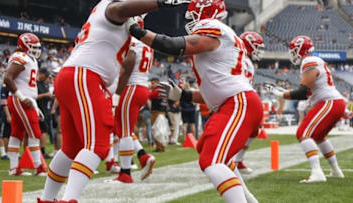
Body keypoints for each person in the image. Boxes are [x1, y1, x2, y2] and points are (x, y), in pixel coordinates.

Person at [39, 0, 188, 202]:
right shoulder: (113, 8)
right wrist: (159, 3)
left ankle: (47, 199)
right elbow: (120, 9)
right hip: (84, 77)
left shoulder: (111, 18)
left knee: (71, 149)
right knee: (98, 144)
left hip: (75, 77)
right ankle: (69, 199)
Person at [128, 0, 263, 201]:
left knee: (212, 160)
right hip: (235, 102)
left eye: (192, 15)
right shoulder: (227, 40)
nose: (190, 20)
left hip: (237, 103)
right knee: (215, 156)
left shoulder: (214, 29)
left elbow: (172, 45)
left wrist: (136, 30)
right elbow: (214, 91)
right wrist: (184, 95)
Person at [266, 36, 346, 183]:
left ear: (300, 49)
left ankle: (317, 173)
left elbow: (302, 92)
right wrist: (283, 92)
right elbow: (306, 94)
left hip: (329, 102)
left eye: (294, 50)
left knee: (303, 132)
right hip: (334, 102)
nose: (292, 53)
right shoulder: (315, 61)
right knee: (319, 137)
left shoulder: (308, 61)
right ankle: (336, 171)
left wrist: (280, 93)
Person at [112, 16, 156, 183]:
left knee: (123, 132)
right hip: (142, 87)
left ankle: (125, 173)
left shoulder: (133, 40)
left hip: (132, 87)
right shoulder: (147, 42)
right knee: (124, 128)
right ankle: (143, 156)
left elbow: (127, 67)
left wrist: (117, 94)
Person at [4, 33, 46, 176]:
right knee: (34, 132)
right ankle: (38, 167)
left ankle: (14, 168)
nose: (36, 50)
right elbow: (7, 79)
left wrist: (35, 105)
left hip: (26, 99)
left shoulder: (30, 59)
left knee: (17, 134)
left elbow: (28, 86)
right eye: (32, 47)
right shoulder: (20, 57)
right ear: (24, 45)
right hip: (20, 99)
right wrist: (21, 98)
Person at [233, 31, 265, 175]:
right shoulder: (240, 59)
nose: (259, 50)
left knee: (253, 130)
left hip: (243, 98)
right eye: (257, 46)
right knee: (235, 132)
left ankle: (237, 161)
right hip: (236, 99)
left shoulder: (245, 59)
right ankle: (225, 163)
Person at [36, 68, 53, 159]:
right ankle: (39, 151)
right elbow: (34, 97)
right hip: (38, 110)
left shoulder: (44, 84)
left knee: (45, 131)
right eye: (45, 75)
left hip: (46, 110)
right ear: (40, 74)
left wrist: (50, 96)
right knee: (41, 131)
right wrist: (45, 95)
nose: (46, 77)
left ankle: (42, 150)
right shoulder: (35, 84)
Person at [0, 84, 11, 160]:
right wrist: (8, 115)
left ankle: (9, 152)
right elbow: (4, 104)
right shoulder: (4, 88)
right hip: (5, 114)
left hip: (12, 113)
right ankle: (4, 153)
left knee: (10, 134)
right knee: (3, 135)